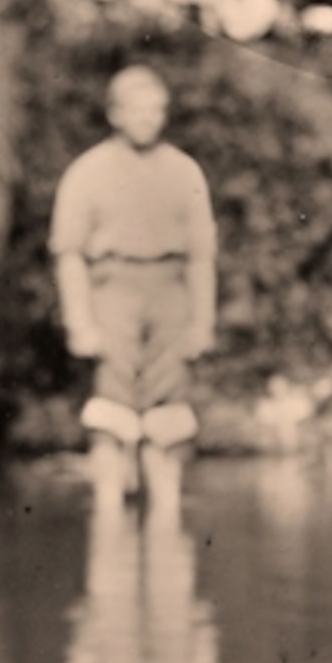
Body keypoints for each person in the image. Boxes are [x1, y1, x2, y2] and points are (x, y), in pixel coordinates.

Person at [52, 64, 220, 513]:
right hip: (113, 290)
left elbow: (201, 257)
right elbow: (68, 253)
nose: (148, 119)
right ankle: (109, 523)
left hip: (169, 292)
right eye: (137, 110)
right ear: (115, 114)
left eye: (156, 110)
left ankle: (165, 522)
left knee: (169, 411)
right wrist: (80, 322)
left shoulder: (185, 173)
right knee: (112, 407)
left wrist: (202, 322)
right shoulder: (87, 172)